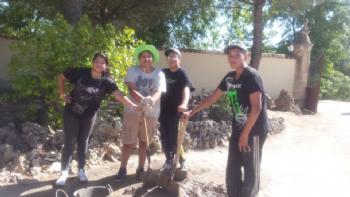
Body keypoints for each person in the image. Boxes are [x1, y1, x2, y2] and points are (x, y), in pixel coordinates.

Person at [182, 42, 270, 197]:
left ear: (246, 56)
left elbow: (256, 108)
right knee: (233, 168)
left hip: (254, 130)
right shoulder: (229, 78)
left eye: (237, 55)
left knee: (251, 169)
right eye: (230, 55)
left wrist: (245, 135)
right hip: (238, 129)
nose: (233, 58)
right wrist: (192, 111)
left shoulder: (252, 76)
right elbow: (212, 98)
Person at [55, 53, 138, 186]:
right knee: (70, 140)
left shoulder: (107, 81)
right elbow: (61, 77)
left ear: (106, 66)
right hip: (72, 111)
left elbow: (119, 95)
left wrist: (134, 106)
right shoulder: (81, 72)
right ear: (92, 63)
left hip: (89, 114)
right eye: (97, 62)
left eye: (102, 63)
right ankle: (64, 172)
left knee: (83, 140)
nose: (99, 64)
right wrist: (62, 93)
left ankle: (81, 170)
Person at [116, 44, 166, 181]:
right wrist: (143, 100)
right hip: (133, 110)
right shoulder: (133, 70)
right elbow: (132, 89)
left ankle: (141, 168)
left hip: (151, 112)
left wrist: (150, 101)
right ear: (139, 59)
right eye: (143, 56)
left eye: (149, 56)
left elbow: (159, 91)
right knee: (128, 142)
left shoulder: (159, 73)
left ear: (153, 59)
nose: (146, 58)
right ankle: (122, 169)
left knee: (144, 142)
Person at [159, 48, 194, 170]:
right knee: (164, 137)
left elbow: (186, 88)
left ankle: (182, 160)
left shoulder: (181, 73)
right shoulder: (163, 72)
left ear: (179, 59)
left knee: (175, 137)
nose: (171, 57)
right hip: (163, 110)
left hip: (176, 111)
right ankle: (169, 159)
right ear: (167, 59)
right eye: (169, 56)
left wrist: (184, 103)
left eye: (174, 55)